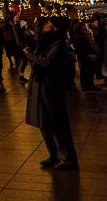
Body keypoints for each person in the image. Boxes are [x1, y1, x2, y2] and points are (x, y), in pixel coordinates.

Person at [20, 17, 78, 170]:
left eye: (49, 24)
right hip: (39, 86)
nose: (45, 25)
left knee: (56, 123)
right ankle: (53, 154)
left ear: (57, 28)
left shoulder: (59, 44)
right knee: (44, 124)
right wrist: (15, 24)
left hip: (50, 88)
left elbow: (47, 62)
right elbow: (24, 43)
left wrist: (31, 55)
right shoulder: (44, 40)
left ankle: (67, 157)